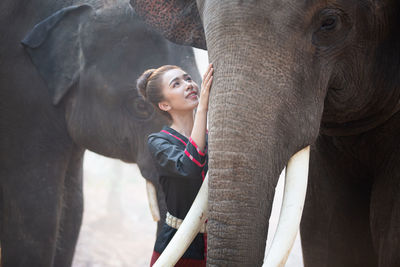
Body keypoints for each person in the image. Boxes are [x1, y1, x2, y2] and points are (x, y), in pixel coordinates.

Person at [137, 63, 214, 267]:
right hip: (179, 248)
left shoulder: (212, 137)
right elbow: (189, 168)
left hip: (219, 244)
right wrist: (203, 108)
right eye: (176, 84)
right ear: (164, 105)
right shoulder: (158, 142)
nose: (188, 84)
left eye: (188, 79)